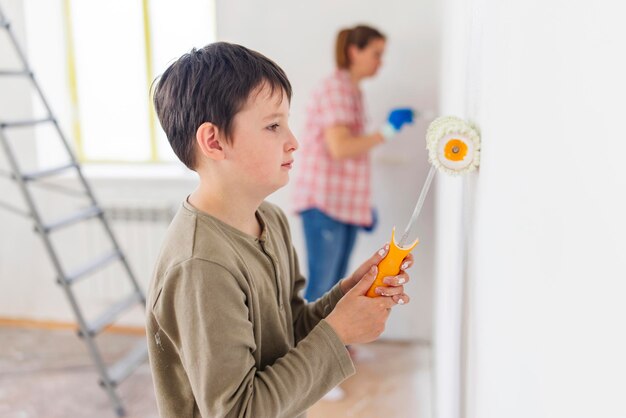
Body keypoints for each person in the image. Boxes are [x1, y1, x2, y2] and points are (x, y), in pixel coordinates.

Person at [146, 42, 414, 418]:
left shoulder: (270, 219)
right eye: (273, 125)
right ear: (214, 141)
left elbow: (287, 332)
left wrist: (344, 295)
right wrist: (339, 333)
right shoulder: (202, 267)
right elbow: (238, 411)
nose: (294, 142)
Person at [293, 25, 415, 303]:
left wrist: (361, 206)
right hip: (324, 203)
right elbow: (341, 148)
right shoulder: (336, 90)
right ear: (353, 52)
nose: (380, 62)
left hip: (340, 203)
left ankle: (336, 345)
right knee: (323, 286)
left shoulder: (351, 91)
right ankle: (312, 346)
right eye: (376, 54)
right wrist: (387, 131)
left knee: (338, 286)